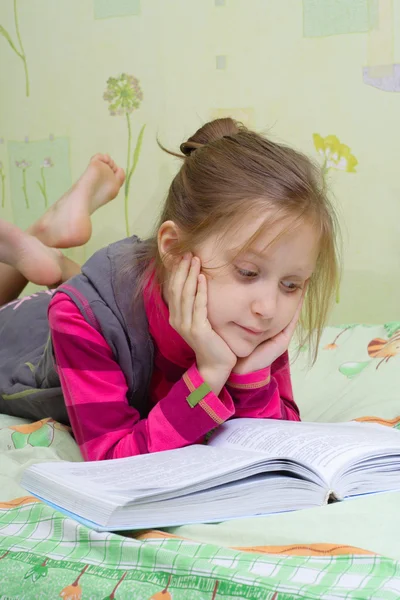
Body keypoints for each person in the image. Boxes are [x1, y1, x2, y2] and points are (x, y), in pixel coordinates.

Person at [0, 118, 340, 461]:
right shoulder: (81, 319)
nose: (268, 308)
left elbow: (279, 442)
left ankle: (51, 255)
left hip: (129, 287)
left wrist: (250, 373)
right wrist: (207, 377)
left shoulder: (254, 316)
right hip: (31, 338)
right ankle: (43, 238)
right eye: (248, 272)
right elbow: (111, 457)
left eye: (292, 285)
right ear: (175, 249)